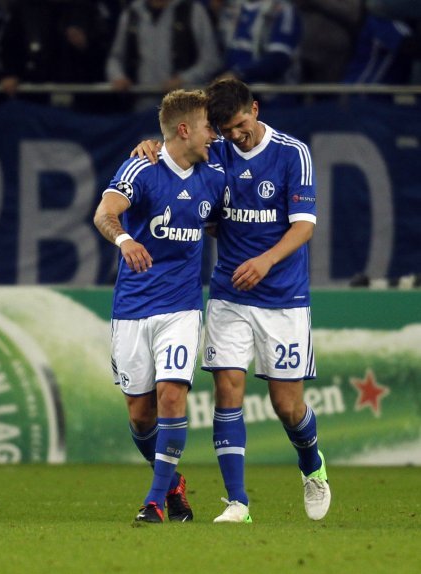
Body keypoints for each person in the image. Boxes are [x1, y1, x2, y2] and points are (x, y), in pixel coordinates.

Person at [132, 78, 331, 523]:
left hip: (283, 296)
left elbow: (303, 226)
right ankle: (238, 502)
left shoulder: (292, 153)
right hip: (229, 294)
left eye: (240, 124)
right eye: (225, 128)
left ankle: (311, 463)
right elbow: (178, 159)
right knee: (227, 389)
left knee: (287, 406)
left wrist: (265, 260)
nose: (234, 135)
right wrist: (151, 147)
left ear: (255, 109)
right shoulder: (216, 151)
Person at [94, 89, 222, 523]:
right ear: (184, 130)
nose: (214, 134)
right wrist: (126, 239)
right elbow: (104, 214)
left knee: (171, 396)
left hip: (181, 309)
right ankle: (173, 484)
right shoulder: (141, 166)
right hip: (132, 308)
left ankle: (153, 501)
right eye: (207, 126)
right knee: (139, 414)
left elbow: (251, 145)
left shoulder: (215, 167)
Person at [105, 0, 222, 112]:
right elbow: (116, 58)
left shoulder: (193, 11)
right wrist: (117, 76)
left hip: (184, 108)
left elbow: (211, 60)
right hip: (139, 109)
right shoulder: (132, 13)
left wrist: (184, 79)